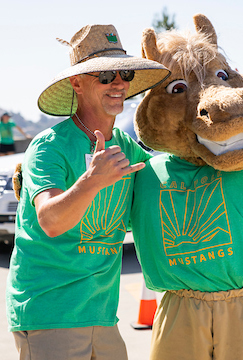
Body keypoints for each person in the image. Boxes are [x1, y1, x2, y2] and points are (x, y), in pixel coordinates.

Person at [5, 24, 170, 359]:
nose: (120, 83)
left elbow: (172, 180)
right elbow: (50, 220)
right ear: (77, 83)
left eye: (123, 72)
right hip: (49, 312)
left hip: (102, 314)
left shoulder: (126, 147)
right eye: (105, 76)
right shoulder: (49, 147)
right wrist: (92, 180)